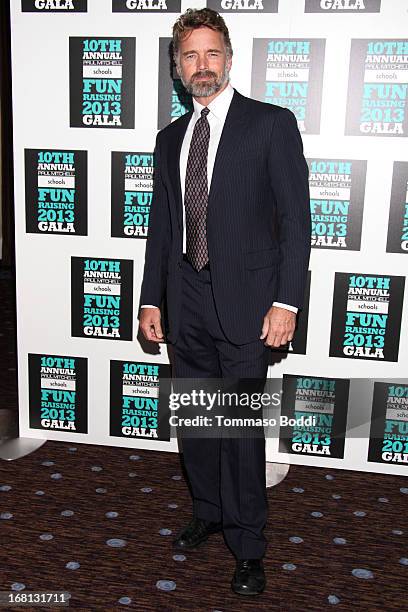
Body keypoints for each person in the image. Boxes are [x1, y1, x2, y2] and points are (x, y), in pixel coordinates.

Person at [138, 7, 311, 596]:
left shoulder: (270, 124)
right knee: (197, 421)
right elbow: (161, 227)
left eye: (212, 53)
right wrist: (151, 299)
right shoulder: (169, 139)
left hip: (248, 301)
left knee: (237, 429)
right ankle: (208, 512)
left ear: (229, 60)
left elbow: (295, 220)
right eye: (190, 56)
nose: (201, 65)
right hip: (184, 298)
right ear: (177, 68)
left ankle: (247, 543)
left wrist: (287, 301)